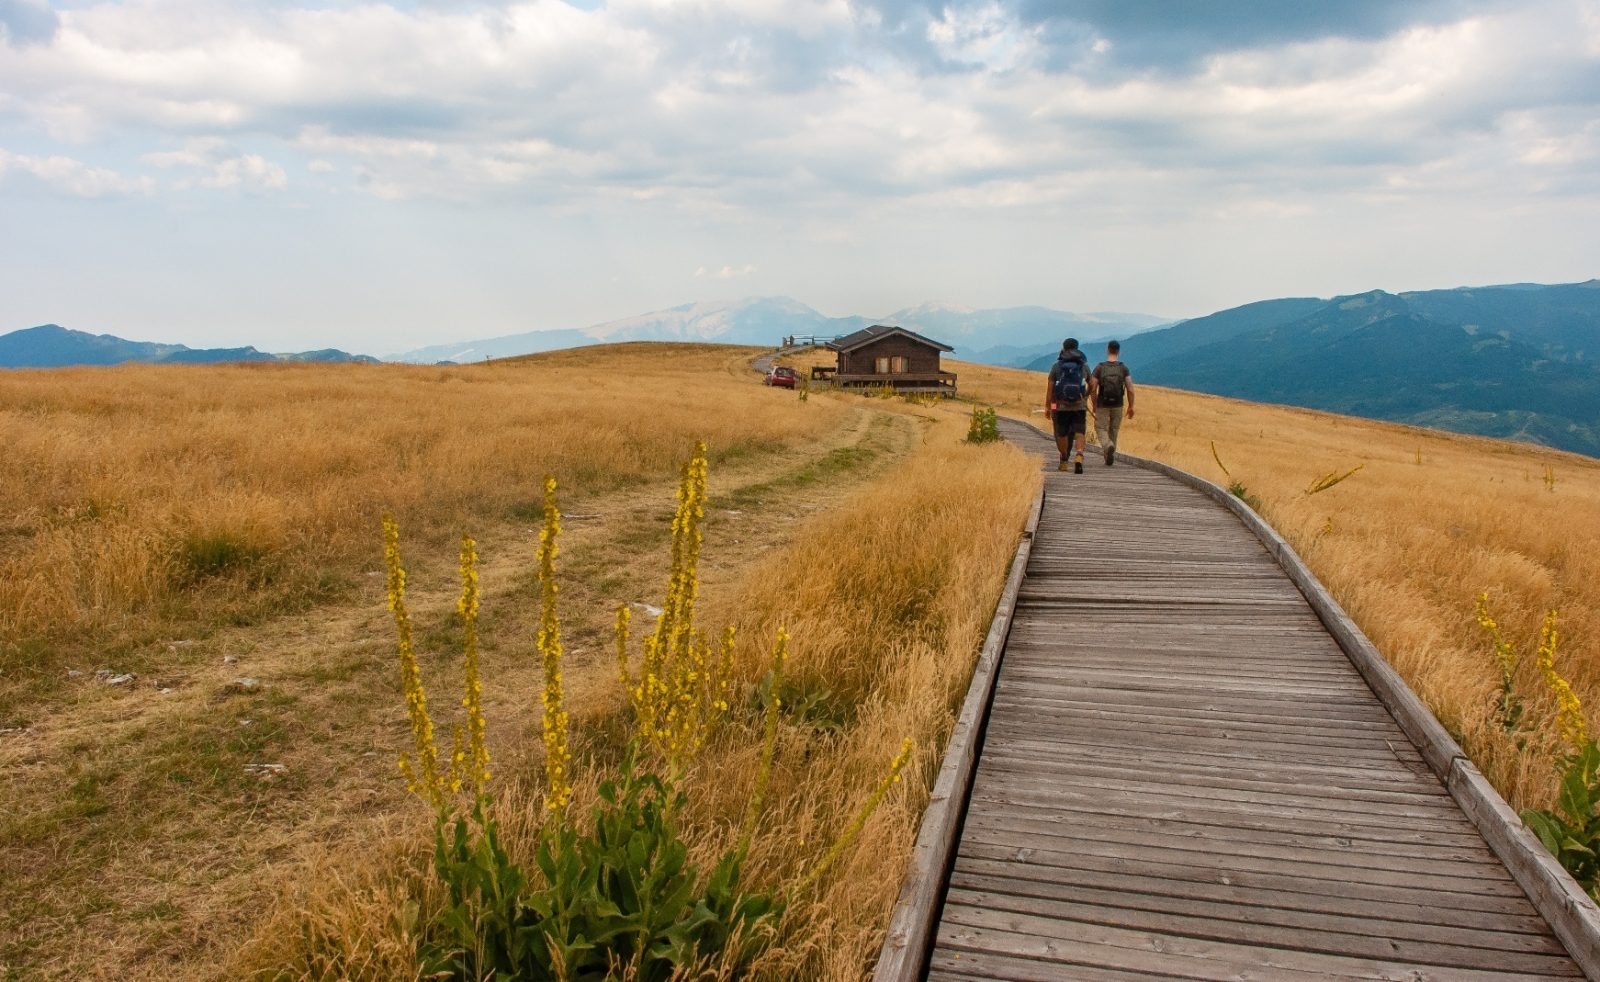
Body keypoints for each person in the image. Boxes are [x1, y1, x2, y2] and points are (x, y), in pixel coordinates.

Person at [1045, 338, 1091, 473]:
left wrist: (1048, 407)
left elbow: (1050, 389)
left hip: (1061, 407)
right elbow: (1092, 384)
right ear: (1077, 348)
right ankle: (1079, 455)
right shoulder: (1084, 366)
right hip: (1079, 406)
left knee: (1062, 433)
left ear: (1063, 348)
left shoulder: (1057, 366)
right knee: (1080, 431)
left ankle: (1064, 459)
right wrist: (1086, 396)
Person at [1089, 339, 1135, 465]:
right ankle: (1110, 455)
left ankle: (1107, 445)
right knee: (1114, 429)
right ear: (1119, 351)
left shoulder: (1100, 367)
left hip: (1103, 403)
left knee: (1100, 427)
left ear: (1107, 349)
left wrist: (1094, 404)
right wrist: (1131, 406)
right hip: (1118, 404)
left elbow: (1092, 388)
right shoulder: (1123, 368)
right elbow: (1130, 389)